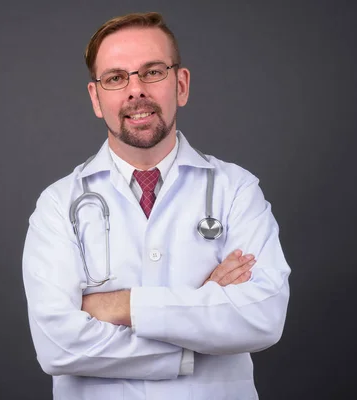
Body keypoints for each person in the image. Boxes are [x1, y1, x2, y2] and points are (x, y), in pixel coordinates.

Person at [22, 11, 290, 400]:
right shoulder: (57, 205)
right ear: (96, 98)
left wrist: (120, 305)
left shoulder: (237, 190)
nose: (136, 91)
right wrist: (200, 313)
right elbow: (57, 346)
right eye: (115, 78)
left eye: (152, 72)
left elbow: (262, 318)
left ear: (180, 85)